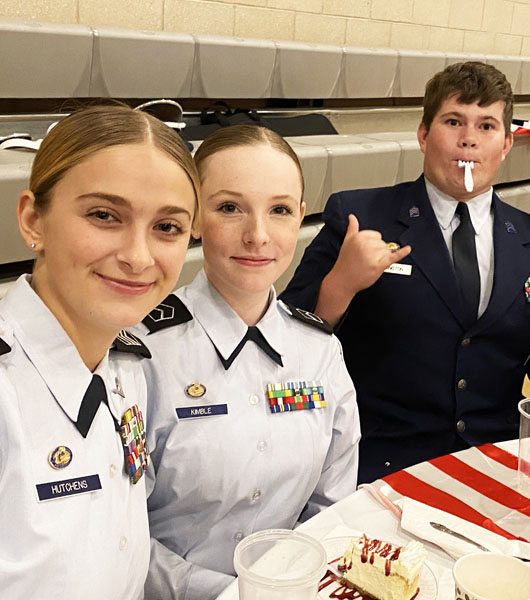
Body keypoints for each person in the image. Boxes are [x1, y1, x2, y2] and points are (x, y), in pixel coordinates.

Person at [280, 62, 530, 484]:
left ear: (506, 144)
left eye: (486, 126)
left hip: (495, 466)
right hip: (377, 463)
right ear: (424, 135)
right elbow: (286, 351)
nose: (469, 139)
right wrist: (338, 287)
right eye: (453, 121)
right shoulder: (358, 216)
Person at [0, 105, 200, 599]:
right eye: (104, 216)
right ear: (33, 220)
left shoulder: (129, 366)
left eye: (167, 227)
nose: (138, 257)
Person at [140, 125, 360, 600]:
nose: (258, 235)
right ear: (194, 217)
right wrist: (234, 594)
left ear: (300, 216)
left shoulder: (319, 351)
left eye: (279, 210)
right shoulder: (142, 353)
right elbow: (114, 531)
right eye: (229, 207)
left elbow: (331, 507)